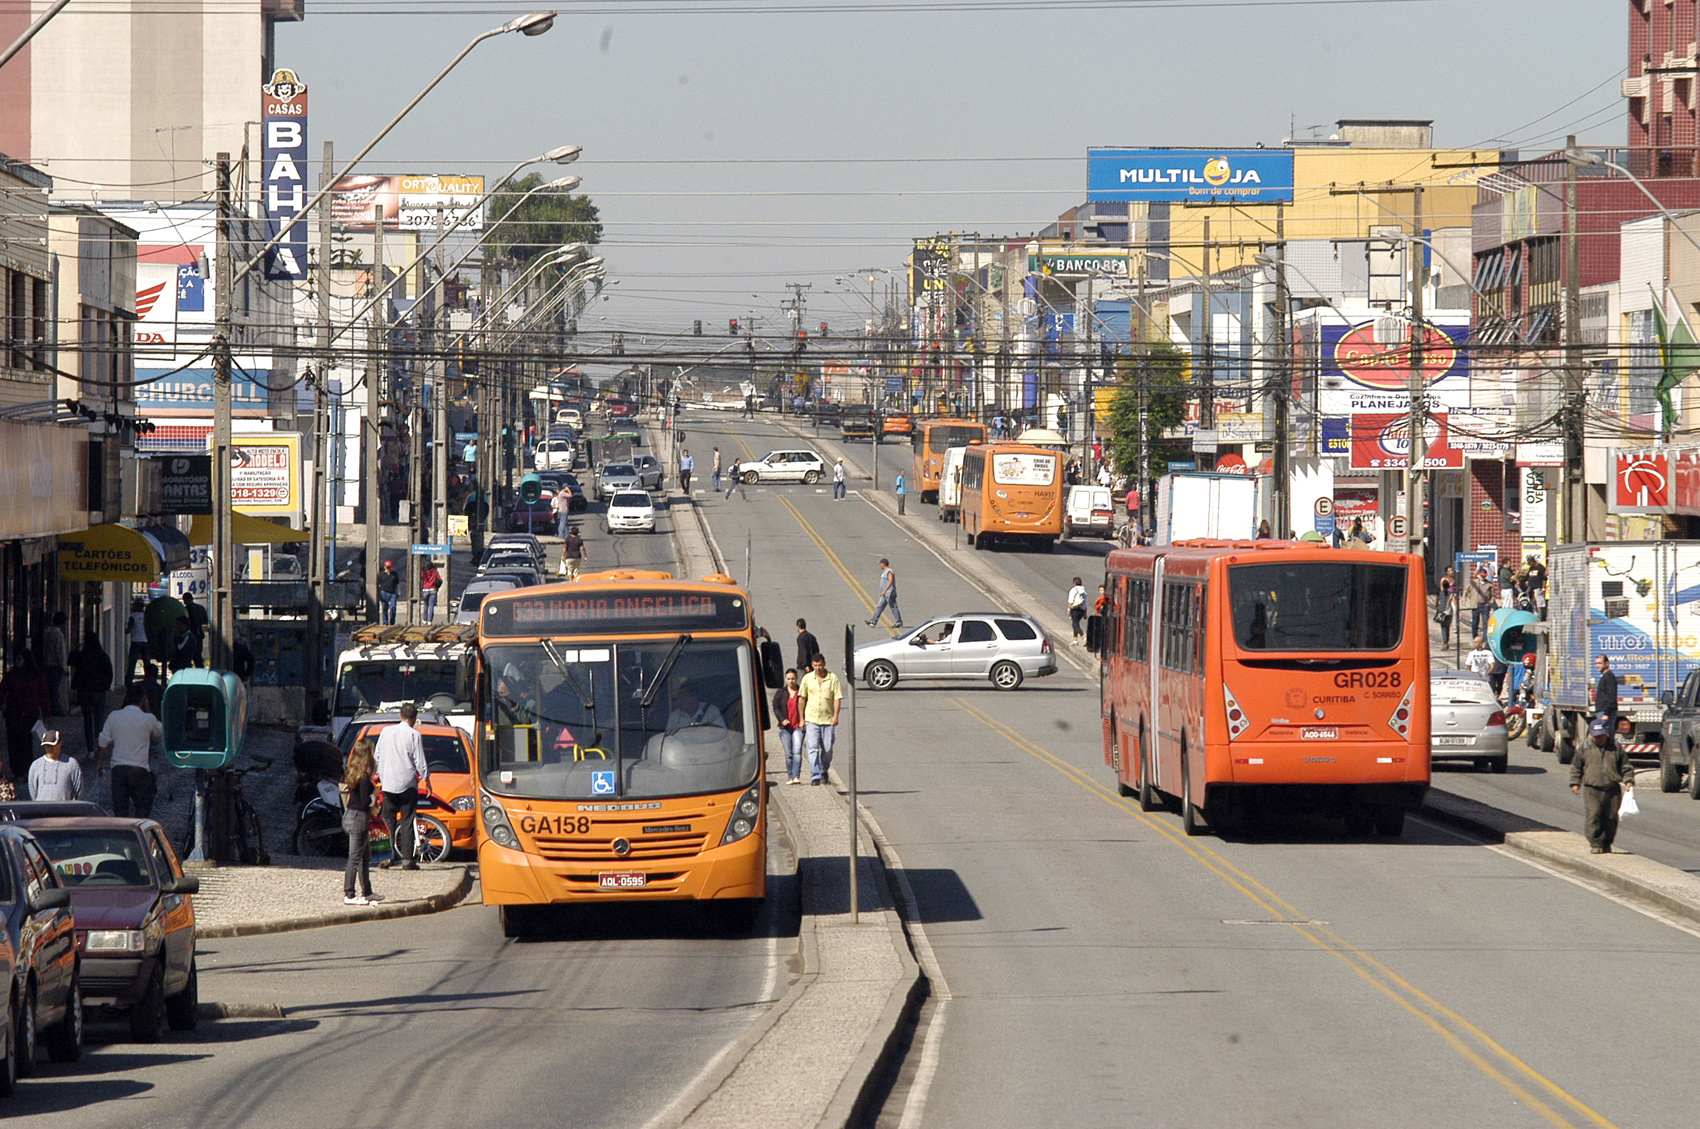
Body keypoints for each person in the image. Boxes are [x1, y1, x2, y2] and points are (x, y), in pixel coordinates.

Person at [374, 703, 430, 870]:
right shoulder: (414, 735)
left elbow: (377, 754)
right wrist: (427, 780)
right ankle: (407, 861)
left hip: (388, 782)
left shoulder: (386, 731)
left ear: (400, 715)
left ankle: (386, 857)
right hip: (407, 783)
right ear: (414, 718)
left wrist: (379, 772)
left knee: (387, 820)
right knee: (407, 820)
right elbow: (420, 761)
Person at [1571, 714, 1634, 853]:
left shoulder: (1615, 747)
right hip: (1592, 789)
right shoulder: (1585, 747)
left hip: (1612, 789)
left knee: (1611, 818)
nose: (1598, 738)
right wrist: (1575, 782)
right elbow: (1576, 766)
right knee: (1594, 815)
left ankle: (1607, 843)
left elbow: (1625, 765)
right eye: (1596, 736)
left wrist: (1628, 779)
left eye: (1601, 735)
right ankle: (1595, 843)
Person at [97, 683, 161, 817]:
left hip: (118, 769)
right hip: (139, 769)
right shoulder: (148, 718)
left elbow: (103, 742)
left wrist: (100, 762)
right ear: (143, 700)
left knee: (120, 810)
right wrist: (149, 710)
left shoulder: (114, 716)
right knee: (143, 808)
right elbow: (159, 731)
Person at [342, 736, 381, 905]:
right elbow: (365, 802)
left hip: (351, 815)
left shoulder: (352, 771)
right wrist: (376, 795)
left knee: (365, 856)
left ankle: (368, 892)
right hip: (358, 818)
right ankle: (349, 894)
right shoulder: (364, 776)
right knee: (355, 857)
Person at [0, 651, 50, 782]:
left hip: (29, 714)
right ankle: (17, 771)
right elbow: (2, 690)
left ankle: (27, 770)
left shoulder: (36, 676)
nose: (17, 661)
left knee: (25, 742)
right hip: (13, 713)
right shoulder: (11, 675)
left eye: (20, 659)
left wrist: (46, 714)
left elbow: (43, 695)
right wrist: (4, 703)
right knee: (13, 743)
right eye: (17, 658)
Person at [799, 653, 843, 786]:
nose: (818, 668)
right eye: (815, 665)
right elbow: (802, 698)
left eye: (820, 665)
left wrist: (836, 716)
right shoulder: (807, 679)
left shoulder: (832, 678)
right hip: (812, 718)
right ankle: (815, 775)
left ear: (824, 663)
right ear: (812, 665)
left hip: (827, 719)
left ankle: (824, 769)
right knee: (812, 748)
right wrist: (801, 719)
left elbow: (837, 698)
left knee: (827, 748)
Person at [70, 631, 113, 754]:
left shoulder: (82, 656)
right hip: (98, 692)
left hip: (84, 692)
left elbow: (70, 660)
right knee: (99, 720)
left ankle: (90, 748)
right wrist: (105, 685)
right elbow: (109, 673)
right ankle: (100, 745)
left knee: (87, 721)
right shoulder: (102, 656)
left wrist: (76, 649)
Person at [28, 730, 80, 802]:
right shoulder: (36, 766)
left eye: (52, 745)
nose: (49, 748)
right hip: (42, 811)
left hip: (65, 811)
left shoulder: (71, 764)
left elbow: (78, 791)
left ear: (60, 743)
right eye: (47, 746)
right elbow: (33, 792)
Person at [774, 668, 805, 784]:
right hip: (785, 728)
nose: (791, 681)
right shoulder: (781, 692)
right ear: (785, 679)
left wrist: (804, 720)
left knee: (797, 751)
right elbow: (775, 707)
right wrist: (782, 719)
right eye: (788, 679)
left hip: (797, 726)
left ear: (796, 679)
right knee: (789, 753)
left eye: (793, 679)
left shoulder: (801, 692)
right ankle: (790, 776)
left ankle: (796, 776)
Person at [42, 611, 68, 716]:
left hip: (48, 663)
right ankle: (55, 708)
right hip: (55, 665)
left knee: (51, 687)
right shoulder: (58, 634)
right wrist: (63, 666)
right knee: (55, 688)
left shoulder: (48, 632)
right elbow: (60, 652)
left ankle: (52, 707)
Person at [867, 558, 902, 630]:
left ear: (883, 563)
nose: (880, 565)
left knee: (892, 607)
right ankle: (873, 621)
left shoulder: (889, 571)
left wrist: (885, 590)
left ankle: (898, 622)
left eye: (880, 563)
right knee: (880, 607)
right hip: (885, 593)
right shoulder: (885, 572)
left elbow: (891, 581)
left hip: (889, 593)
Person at [1465, 567, 1495, 641]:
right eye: (1482, 575)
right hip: (1476, 604)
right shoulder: (1474, 583)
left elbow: (1493, 595)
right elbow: (1466, 590)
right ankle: (1475, 635)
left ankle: (1485, 638)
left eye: (1484, 575)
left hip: (1485, 605)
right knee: (1475, 621)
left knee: (1485, 622)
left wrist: (1490, 602)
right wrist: (1464, 598)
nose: (1483, 577)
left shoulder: (1489, 584)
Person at [125, 597, 149, 685]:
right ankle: (148, 680)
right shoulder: (146, 616)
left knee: (132, 663)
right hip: (145, 642)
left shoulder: (133, 616)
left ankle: (128, 682)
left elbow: (128, 629)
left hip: (135, 641)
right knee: (147, 664)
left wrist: (124, 630)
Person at [1594, 653, 1618, 732]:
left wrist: (1606, 713)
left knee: (1605, 736)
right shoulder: (1604, 676)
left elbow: (1611, 696)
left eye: (1600, 663)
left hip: (1605, 712)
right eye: (1596, 663)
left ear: (1606, 663)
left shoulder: (1609, 677)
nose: (1597, 665)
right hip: (1602, 711)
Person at [182, 592, 208, 663]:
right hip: (199, 633)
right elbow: (205, 621)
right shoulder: (201, 608)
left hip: (189, 634)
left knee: (187, 656)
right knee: (197, 656)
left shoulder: (185, 610)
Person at [1436, 566, 1458, 647]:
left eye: (1452, 570)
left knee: (1444, 626)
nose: (1451, 572)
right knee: (1446, 626)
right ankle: (1446, 641)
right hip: (1448, 608)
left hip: (1444, 608)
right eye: (1449, 570)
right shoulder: (1443, 580)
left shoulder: (1454, 579)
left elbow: (1437, 600)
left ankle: (1445, 641)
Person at [377, 559, 401, 625]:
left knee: (393, 607)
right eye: (387, 567)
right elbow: (378, 584)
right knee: (384, 608)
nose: (388, 569)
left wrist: (398, 592)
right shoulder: (381, 574)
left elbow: (397, 584)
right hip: (384, 592)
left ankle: (392, 621)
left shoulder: (394, 574)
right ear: (385, 567)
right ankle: (385, 622)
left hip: (392, 592)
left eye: (390, 567)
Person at [1067, 577, 1088, 645]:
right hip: (1082, 610)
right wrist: (1085, 613)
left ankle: (1084, 636)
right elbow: (1086, 603)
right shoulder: (1084, 591)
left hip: (1075, 609)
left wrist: (1069, 609)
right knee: (1075, 623)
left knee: (1075, 625)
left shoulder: (1073, 590)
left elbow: (1070, 601)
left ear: (1074, 583)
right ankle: (1075, 640)